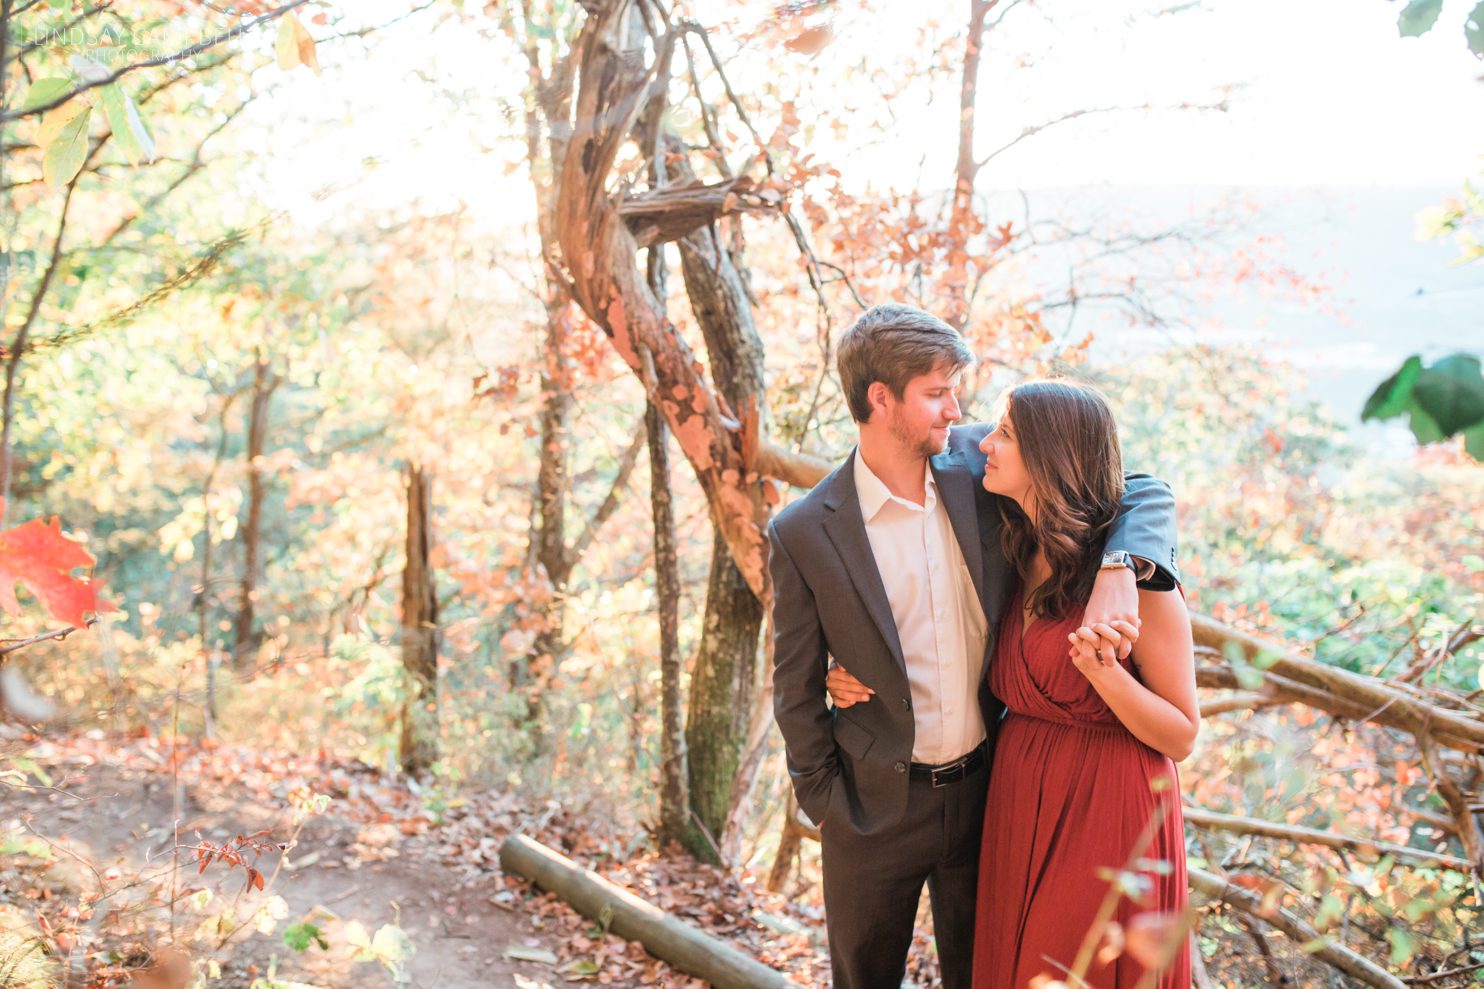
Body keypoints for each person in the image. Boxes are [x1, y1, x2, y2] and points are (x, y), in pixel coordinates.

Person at [769, 303, 1180, 989]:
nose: (957, 409)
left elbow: (1139, 488)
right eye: (937, 393)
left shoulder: (979, 469)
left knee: (985, 975)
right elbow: (793, 686)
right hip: (873, 811)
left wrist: (1118, 569)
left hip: (993, 795)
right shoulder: (806, 530)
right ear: (881, 399)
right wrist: (829, 806)